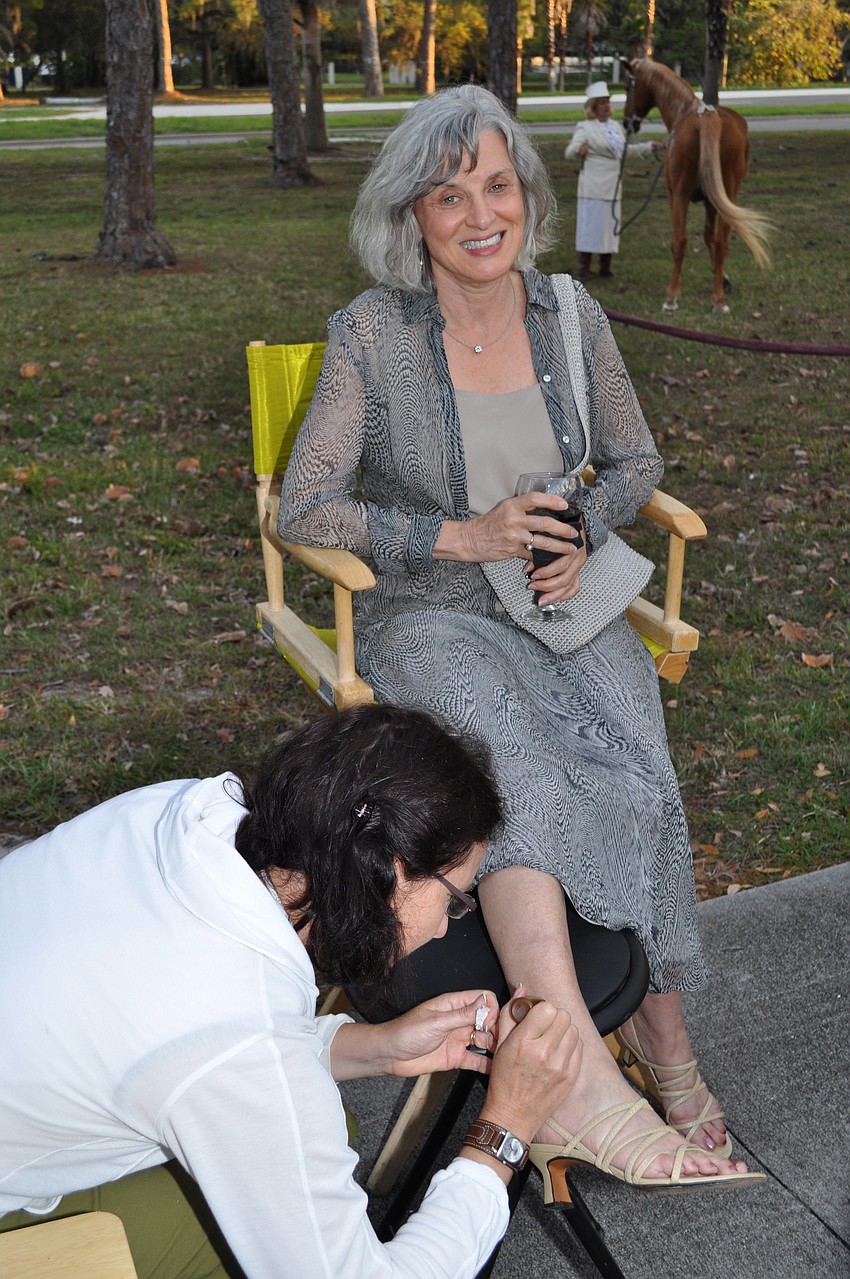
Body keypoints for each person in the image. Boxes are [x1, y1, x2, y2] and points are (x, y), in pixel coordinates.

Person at [279, 84, 764, 1200]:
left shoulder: (570, 316)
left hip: (559, 600)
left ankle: (664, 1046)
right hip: (431, 610)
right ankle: (576, 1079)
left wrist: (578, 529)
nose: (478, 212)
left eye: (497, 184)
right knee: (522, 772)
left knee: (643, 766)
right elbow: (305, 507)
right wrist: (463, 534)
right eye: (448, 195)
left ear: (529, 199)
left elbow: (633, 462)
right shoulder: (370, 334)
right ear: (413, 221)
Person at [0, 704, 584, 1279]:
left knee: (325, 1142)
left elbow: (193, 1042)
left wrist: (377, 1046)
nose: (441, 927)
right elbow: (231, 1052)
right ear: (392, 872)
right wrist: (505, 1127)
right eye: (453, 899)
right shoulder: (232, 1031)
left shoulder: (184, 812)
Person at [565, 79, 663, 281]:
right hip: (593, 186)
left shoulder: (616, 128)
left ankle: (605, 267)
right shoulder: (585, 127)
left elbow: (626, 151)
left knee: (609, 226)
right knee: (590, 226)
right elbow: (569, 151)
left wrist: (648, 146)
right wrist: (579, 149)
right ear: (593, 107)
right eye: (602, 102)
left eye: (608, 102)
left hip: (613, 186)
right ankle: (584, 269)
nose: (607, 106)